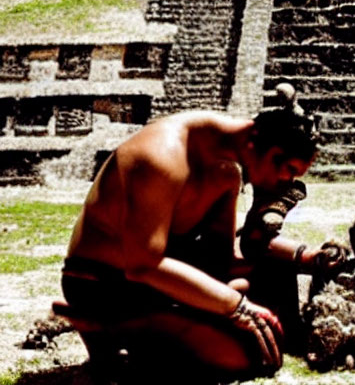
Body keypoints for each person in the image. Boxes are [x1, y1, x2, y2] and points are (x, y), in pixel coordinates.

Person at [61, 87, 326, 381]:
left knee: (272, 287)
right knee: (246, 354)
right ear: (267, 150)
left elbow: (225, 261)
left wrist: (304, 257)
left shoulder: (225, 173)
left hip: (162, 282)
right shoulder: (162, 156)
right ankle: (113, 333)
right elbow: (142, 264)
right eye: (289, 171)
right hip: (105, 285)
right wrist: (235, 306)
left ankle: (160, 333)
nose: (286, 182)